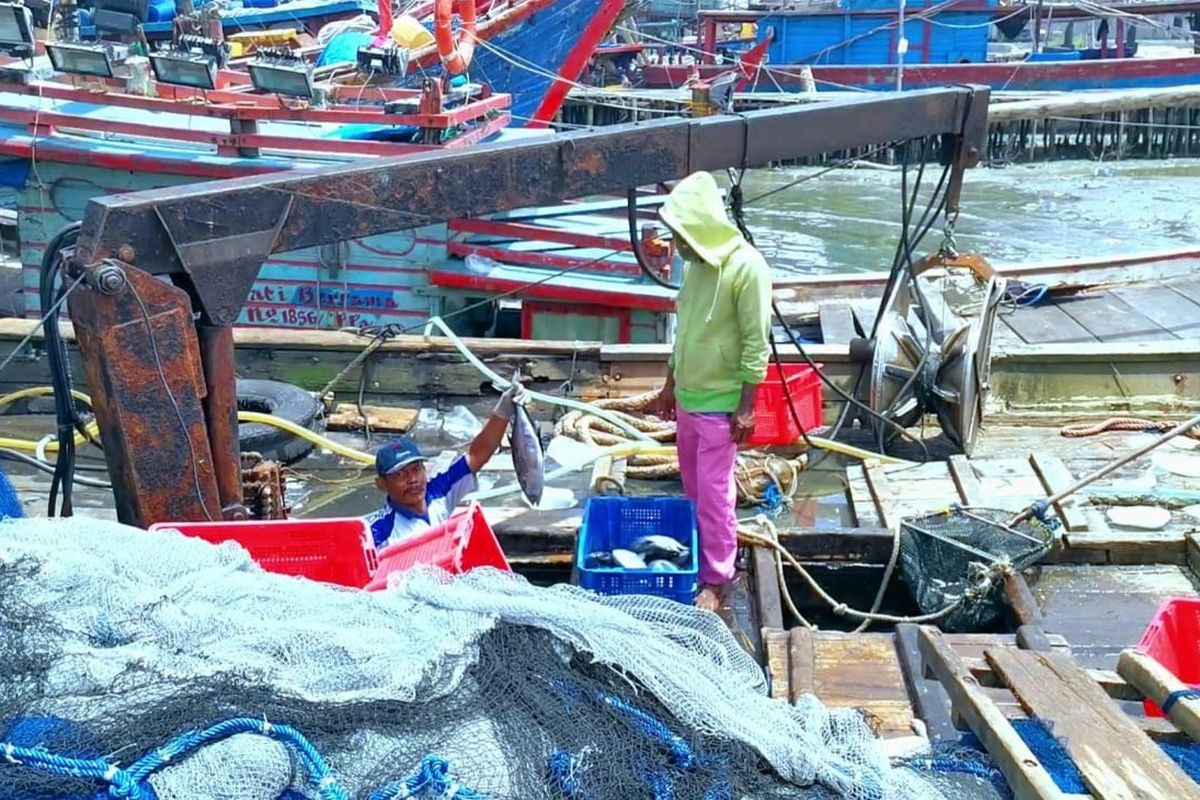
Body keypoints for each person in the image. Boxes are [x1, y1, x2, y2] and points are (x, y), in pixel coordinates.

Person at [655, 171, 772, 613]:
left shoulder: (748, 268)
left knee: (716, 494)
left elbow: (755, 342)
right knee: (693, 488)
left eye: (682, 234)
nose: (677, 243)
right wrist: (670, 384)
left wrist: (747, 407)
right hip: (689, 399)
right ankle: (702, 555)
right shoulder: (697, 266)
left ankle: (718, 577)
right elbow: (683, 329)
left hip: (722, 408)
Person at [368, 383, 525, 548]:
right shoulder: (380, 532)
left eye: (416, 469)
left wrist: (504, 409)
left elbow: (476, 455)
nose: (412, 479)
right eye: (400, 474)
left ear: (424, 469)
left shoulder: (438, 493)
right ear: (382, 484)